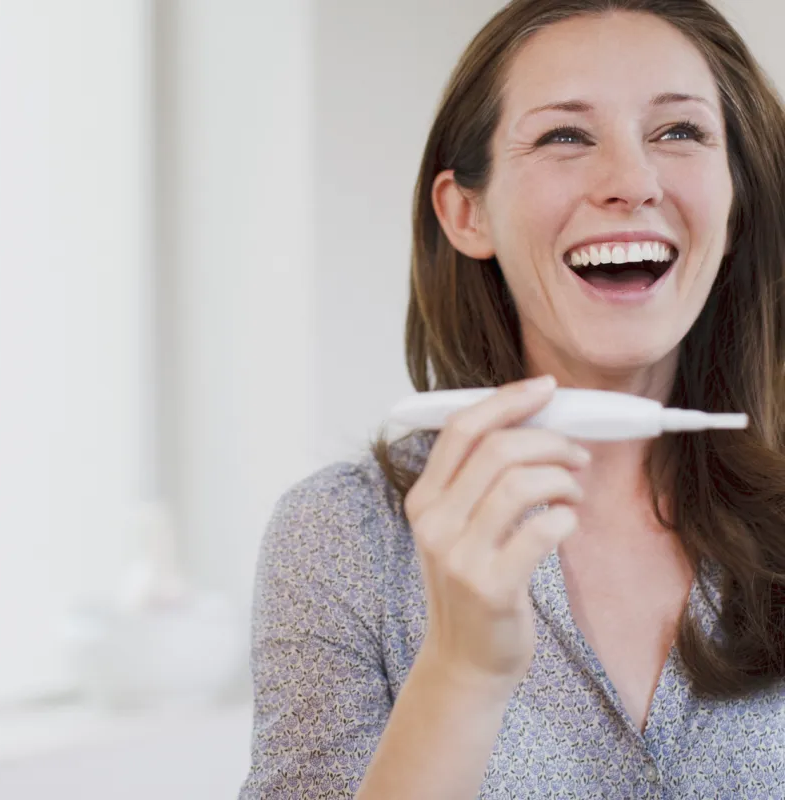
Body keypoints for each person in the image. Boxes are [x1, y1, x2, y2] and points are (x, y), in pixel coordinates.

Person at [239, 0, 785, 797]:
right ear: (467, 212)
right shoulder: (344, 539)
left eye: (680, 132)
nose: (632, 181)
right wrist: (461, 670)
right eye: (566, 135)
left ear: (733, 205)